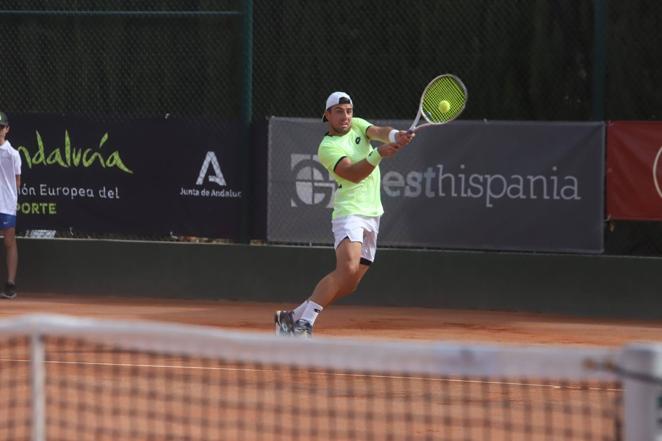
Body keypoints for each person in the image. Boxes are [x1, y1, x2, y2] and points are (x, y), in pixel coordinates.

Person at [274, 92, 414, 337]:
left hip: (373, 213)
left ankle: (290, 317)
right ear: (327, 115)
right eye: (339, 111)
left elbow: (380, 132)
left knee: (350, 284)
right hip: (350, 212)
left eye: (348, 111)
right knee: (347, 268)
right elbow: (353, 173)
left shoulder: (358, 125)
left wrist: (396, 136)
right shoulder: (327, 147)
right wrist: (379, 153)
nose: (346, 116)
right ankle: (304, 324)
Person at [0, 112, 21, 299]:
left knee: (9, 241)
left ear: (7, 129)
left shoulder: (13, 154)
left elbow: (17, 181)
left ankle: (11, 284)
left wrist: (12, 201)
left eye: (1, 127)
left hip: (7, 204)